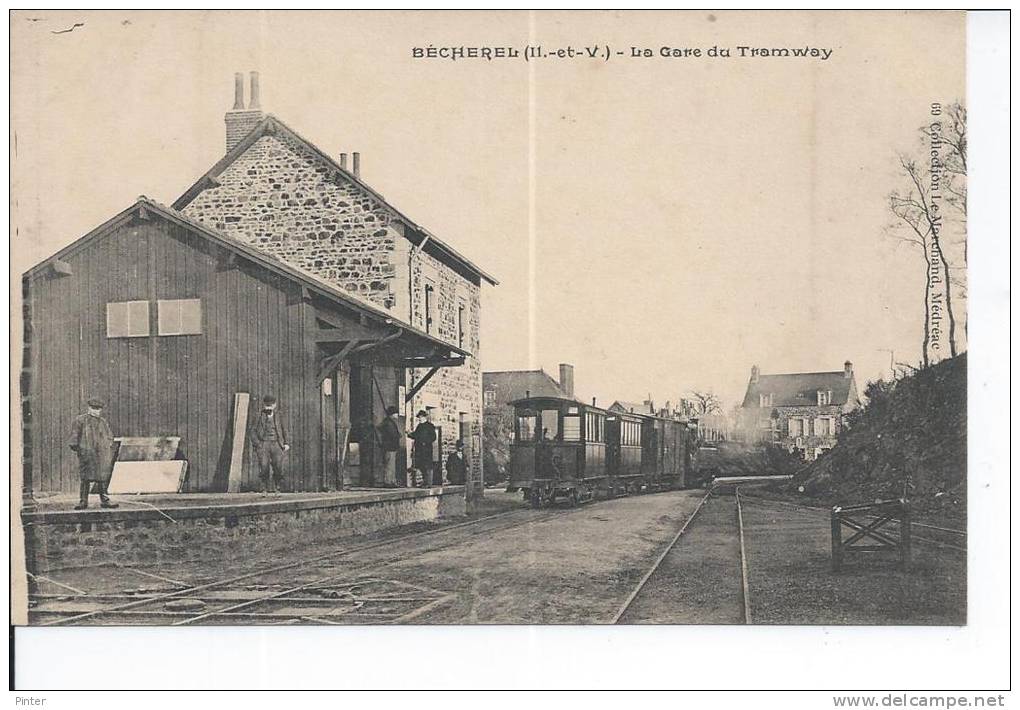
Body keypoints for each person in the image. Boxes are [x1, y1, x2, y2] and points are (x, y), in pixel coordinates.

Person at [68, 397, 119, 510]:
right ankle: (83, 502)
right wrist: (81, 450)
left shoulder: (103, 422)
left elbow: (109, 436)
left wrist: (107, 447)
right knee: (85, 478)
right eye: (93, 408)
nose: (96, 411)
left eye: (98, 409)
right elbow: (74, 437)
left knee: (102, 477)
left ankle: (105, 500)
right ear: (89, 408)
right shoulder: (80, 420)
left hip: (101, 455)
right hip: (87, 454)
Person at [250, 394, 290, 495]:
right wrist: (258, 444)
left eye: (270, 405)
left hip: (277, 443)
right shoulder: (259, 415)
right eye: (267, 405)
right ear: (263, 405)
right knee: (264, 466)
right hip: (264, 444)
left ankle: (278, 488)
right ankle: (264, 489)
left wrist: (286, 443)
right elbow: (252, 431)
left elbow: (285, 430)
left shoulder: (279, 415)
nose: (268, 408)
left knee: (278, 466)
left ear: (274, 405)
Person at [375, 405, 402, 488]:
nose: (397, 415)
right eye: (396, 413)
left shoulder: (387, 422)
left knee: (390, 464)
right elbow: (393, 434)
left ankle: (390, 481)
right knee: (390, 464)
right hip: (390, 447)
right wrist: (398, 435)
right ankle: (389, 482)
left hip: (389, 447)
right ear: (392, 414)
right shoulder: (389, 423)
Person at [408, 409, 437, 487]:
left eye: (420, 417)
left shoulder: (430, 426)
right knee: (422, 466)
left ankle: (429, 483)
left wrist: (426, 442)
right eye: (419, 417)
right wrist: (410, 434)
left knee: (428, 466)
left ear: (424, 417)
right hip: (419, 450)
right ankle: (425, 482)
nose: (419, 419)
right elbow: (416, 435)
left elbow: (433, 437)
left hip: (427, 449)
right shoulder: (419, 426)